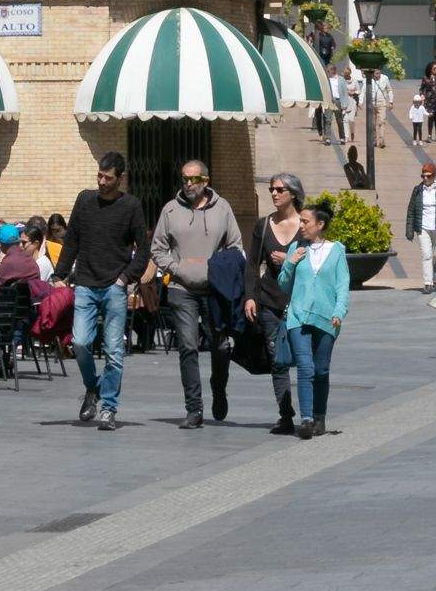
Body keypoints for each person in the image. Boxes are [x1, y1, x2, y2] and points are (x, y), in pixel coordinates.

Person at [55, 151, 151, 431]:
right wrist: (60, 273)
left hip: (114, 287)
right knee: (81, 343)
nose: (101, 182)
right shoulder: (85, 200)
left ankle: (108, 408)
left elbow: (142, 250)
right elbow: (71, 239)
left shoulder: (131, 205)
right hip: (85, 282)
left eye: (107, 178)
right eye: (99, 175)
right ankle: (92, 387)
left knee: (114, 351)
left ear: (120, 179)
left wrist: (125, 278)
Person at [151, 159, 245, 429]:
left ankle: (219, 387)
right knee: (188, 347)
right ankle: (194, 408)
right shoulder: (170, 210)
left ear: (206, 181)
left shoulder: (223, 208)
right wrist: (177, 268)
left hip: (215, 290)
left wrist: (216, 267)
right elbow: (157, 249)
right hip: (182, 289)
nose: (188, 184)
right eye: (184, 179)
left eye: (193, 179)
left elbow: (236, 247)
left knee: (220, 346)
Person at [277, 201, 350, 440]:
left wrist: (339, 312)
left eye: (306, 221)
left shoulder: (337, 250)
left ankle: (319, 416)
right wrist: (290, 262)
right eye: (300, 221)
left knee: (321, 370)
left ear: (320, 224)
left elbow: (342, 286)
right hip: (297, 316)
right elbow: (283, 285)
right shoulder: (296, 248)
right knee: (305, 368)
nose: (301, 226)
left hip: (327, 319)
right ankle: (306, 419)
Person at [242, 172, 303, 434]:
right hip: (269, 300)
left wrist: (289, 260)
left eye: (280, 189)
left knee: (303, 359)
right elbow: (252, 264)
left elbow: (317, 259)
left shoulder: (306, 224)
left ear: (293, 193)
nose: (274, 194)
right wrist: (250, 297)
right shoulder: (263, 225)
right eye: (271, 190)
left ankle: (311, 413)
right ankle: (286, 414)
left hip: (300, 303)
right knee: (277, 360)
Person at [405, 162, 436, 294]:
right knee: (426, 255)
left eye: (428, 176)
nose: (425, 179)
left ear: (434, 176)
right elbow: (411, 210)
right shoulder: (418, 190)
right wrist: (409, 229)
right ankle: (427, 283)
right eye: (423, 176)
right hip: (423, 227)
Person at [368, 69, 393, 148]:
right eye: (375, 73)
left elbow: (389, 89)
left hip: (382, 103)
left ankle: (381, 140)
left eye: (378, 73)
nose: (377, 75)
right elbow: (364, 90)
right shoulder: (370, 79)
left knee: (382, 122)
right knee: (372, 123)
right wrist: (361, 101)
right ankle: (374, 140)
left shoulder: (385, 78)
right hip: (372, 104)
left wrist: (391, 101)